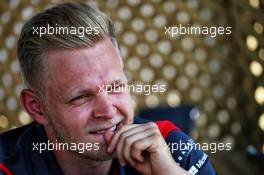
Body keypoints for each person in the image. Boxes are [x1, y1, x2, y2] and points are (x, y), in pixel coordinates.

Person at [0, 2, 217, 175]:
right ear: (37, 107)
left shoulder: (171, 149)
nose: (107, 110)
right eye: (81, 96)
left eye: (115, 86)